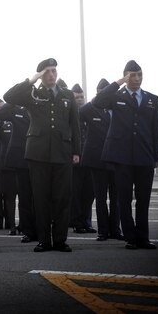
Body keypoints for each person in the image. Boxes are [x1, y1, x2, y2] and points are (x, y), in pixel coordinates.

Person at [3, 58, 81, 253]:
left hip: (63, 153)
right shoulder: (32, 93)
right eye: (47, 71)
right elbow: (9, 96)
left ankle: (61, 240)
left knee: (62, 198)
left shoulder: (66, 95)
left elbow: (75, 125)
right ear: (40, 75)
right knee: (41, 199)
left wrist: (77, 151)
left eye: (54, 71)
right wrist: (32, 79)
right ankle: (44, 240)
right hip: (38, 154)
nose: (52, 74)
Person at [91, 60, 158, 250]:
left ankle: (143, 237)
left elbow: (156, 130)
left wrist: (156, 156)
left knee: (143, 199)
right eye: (132, 75)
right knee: (124, 199)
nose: (137, 78)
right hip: (122, 158)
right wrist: (119, 82)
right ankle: (130, 237)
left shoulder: (152, 99)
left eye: (139, 74)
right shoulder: (116, 96)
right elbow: (97, 101)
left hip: (145, 157)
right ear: (125, 75)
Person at [80, 78, 122, 241]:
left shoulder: (118, 107)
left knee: (116, 198)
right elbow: (79, 113)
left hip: (116, 159)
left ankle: (115, 230)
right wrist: (94, 100)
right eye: (100, 94)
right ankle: (103, 231)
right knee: (100, 198)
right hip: (96, 160)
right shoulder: (91, 108)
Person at [0, 102, 36, 241]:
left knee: (40, 198)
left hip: (39, 157)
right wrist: (13, 100)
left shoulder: (40, 108)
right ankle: (27, 230)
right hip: (20, 160)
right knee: (24, 198)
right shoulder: (17, 110)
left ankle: (41, 229)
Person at [69, 83, 96, 234]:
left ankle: (86, 222)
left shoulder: (90, 113)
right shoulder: (68, 115)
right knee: (76, 195)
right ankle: (77, 223)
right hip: (74, 161)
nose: (80, 100)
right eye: (76, 97)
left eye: (81, 97)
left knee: (88, 194)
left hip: (89, 160)